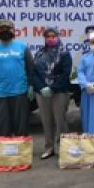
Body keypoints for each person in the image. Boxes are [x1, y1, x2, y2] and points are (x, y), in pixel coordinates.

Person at [0, 18, 33, 137]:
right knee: (2, 126)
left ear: (13, 30)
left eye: (8, 28)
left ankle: (21, 153)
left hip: (19, 91)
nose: (4, 31)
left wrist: (31, 86)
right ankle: (4, 154)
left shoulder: (23, 47)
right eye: (1, 29)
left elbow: (30, 68)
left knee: (21, 126)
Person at [29, 27, 73, 160]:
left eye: (53, 36)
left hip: (59, 92)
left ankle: (62, 148)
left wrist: (52, 88)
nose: (50, 39)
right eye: (47, 36)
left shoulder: (64, 54)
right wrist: (41, 87)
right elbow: (34, 72)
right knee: (46, 120)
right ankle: (49, 147)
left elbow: (65, 74)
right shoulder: (39, 53)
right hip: (42, 92)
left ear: (58, 37)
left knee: (60, 120)